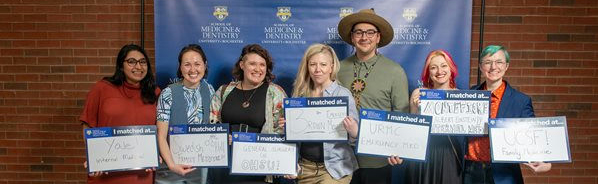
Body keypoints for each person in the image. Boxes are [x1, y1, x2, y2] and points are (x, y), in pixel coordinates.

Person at [336, 8, 410, 184]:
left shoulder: (395, 71)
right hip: (340, 159)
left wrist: (400, 150)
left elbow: (401, 115)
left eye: (370, 32)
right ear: (352, 37)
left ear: (378, 37)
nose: (364, 37)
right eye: (359, 32)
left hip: (377, 160)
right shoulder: (337, 68)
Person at [463, 45, 551, 184]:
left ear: (506, 66)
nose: (493, 67)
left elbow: (533, 136)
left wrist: (544, 161)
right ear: (480, 67)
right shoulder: (467, 96)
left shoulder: (520, 101)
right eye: (487, 62)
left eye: (499, 62)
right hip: (470, 173)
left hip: (504, 175)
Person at [80, 44, 160, 184]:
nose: (138, 67)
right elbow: (88, 124)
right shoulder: (102, 88)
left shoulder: (155, 93)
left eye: (142, 62)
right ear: (121, 66)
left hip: (141, 172)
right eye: (131, 62)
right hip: (106, 170)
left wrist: (156, 154)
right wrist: (93, 155)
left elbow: (160, 131)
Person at [280, 43, 359, 183]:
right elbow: (292, 139)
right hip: (304, 169)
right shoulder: (299, 96)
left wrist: (354, 131)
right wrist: (287, 128)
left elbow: (357, 138)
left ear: (332, 67)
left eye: (323, 64)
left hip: (335, 168)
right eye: (313, 64)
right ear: (307, 67)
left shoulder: (343, 94)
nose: (318, 70)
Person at [208, 44, 287, 184]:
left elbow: (281, 132)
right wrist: (221, 137)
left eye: (262, 65)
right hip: (225, 164)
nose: (258, 69)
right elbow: (211, 124)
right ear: (242, 65)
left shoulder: (275, 93)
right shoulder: (223, 91)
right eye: (252, 64)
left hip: (259, 165)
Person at [388, 50, 463, 184]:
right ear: (428, 72)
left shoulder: (460, 96)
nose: (439, 71)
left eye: (444, 65)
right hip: (423, 153)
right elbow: (410, 130)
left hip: (449, 153)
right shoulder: (419, 93)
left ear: (451, 68)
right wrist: (417, 110)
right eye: (433, 67)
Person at [155, 44, 215, 184]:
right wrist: (171, 165)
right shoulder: (167, 93)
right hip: (172, 166)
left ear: (204, 65)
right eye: (187, 64)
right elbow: (161, 136)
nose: (193, 69)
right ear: (180, 67)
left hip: (200, 166)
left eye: (197, 64)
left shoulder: (210, 90)